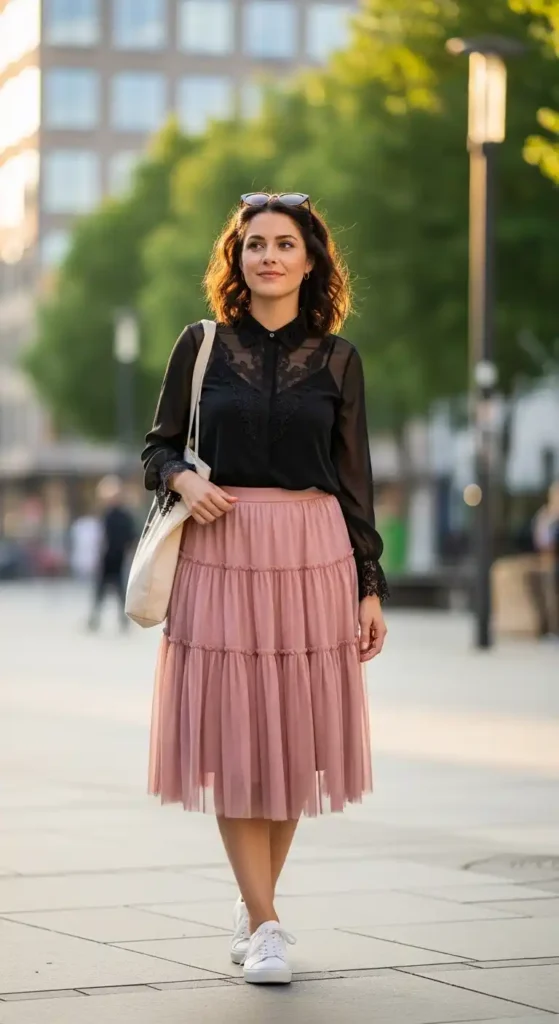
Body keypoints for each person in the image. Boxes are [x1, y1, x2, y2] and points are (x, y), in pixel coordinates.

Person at [142, 192, 388, 985]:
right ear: (236, 258)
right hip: (222, 552)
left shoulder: (339, 358)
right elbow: (154, 449)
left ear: (311, 260)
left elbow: (356, 481)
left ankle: (257, 913)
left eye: (285, 244)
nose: (269, 256)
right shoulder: (201, 344)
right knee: (234, 737)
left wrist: (368, 584)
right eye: (254, 244)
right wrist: (182, 478)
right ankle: (269, 922)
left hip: (314, 556)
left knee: (289, 742)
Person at [88, 475, 136, 631]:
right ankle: (95, 619)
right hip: (108, 557)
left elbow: (131, 537)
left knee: (118, 590)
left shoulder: (122, 515)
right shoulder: (107, 514)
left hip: (117, 557)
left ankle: (122, 620)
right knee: (101, 590)